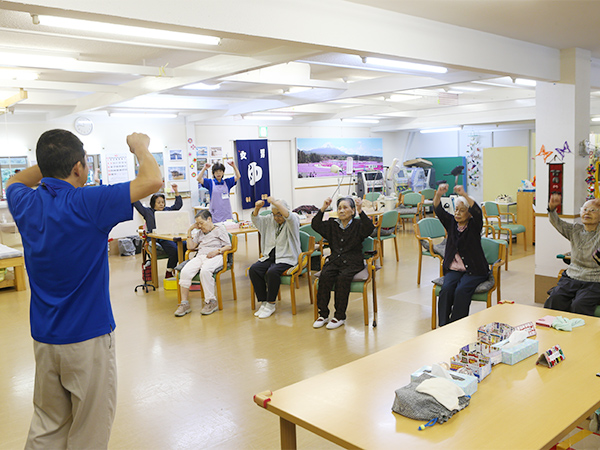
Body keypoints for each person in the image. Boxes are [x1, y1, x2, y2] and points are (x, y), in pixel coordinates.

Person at [6, 130, 162, 449]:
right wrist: (140, 147)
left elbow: (15, 180)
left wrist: (50, 162)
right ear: (79, 167)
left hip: (45, 339)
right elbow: (152, 181)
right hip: (87, 340)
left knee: (47, 426)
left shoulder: (24, 201)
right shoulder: (88, 202)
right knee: (89, 431)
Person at [311, 196, 375, 330]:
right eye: (339, 208)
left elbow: (369, 228)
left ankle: (339, 316)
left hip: (353, 261)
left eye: (345, 208)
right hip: (335, 260)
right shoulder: (332, 224)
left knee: (342, 278)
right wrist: (323, 208)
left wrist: (360, 211)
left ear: (352, 211)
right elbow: (315, 225)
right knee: (325, 276)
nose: (341, 211)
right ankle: (323, 314)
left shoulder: (358, 225)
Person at [433, 183, 490, 326]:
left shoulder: (474, 225)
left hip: (475, 271)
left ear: (469, 213)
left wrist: (464, 194)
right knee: (446, 289)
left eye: (462, 210)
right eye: (456, 210)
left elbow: (477, 212)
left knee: (461, 290)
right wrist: (439, 194)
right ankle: (444, 326)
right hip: (455, 269)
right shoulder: (451, 222)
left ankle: (456, 325)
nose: (457, 213)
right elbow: (438, 209)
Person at [544, 194, 600, 316]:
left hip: (595, 280)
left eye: (593, 210)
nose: (587, 213)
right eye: (585, 210)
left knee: (579, 304)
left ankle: (581, 334)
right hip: (572, 276)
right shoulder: (575, 230)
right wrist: (552, 208)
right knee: (555, 299)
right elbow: (557, 223)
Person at [248, 197, 300, 319]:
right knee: (254, 269)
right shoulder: (271, 219)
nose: (276, 218)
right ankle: (264, 301)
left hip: (287, 256)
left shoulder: (293, 219)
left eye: (279, 214)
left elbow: (289, 216)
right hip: (270, 256)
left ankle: (271, 304)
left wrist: (276, 204)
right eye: (274, 214)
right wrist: (257, 209)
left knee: (272, 272)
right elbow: (256, 220)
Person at [175, 210, 232, 317]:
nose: (200, 226)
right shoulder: (199, 233)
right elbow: (190, 247)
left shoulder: (220, 230)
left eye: (201, 223)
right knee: (185, 271)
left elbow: (228, 246)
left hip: (216, 256)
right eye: (198, 224)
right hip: (201, 256)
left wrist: (217, 251)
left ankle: (211, 301)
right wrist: (189, 231)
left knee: (205, 271)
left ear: (209, 219)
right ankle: (184, 303)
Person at [133, 183, 183, 278]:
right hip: (157, 238)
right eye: (159, 202)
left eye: (163, 202)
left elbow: (178, 205)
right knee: (174, 250)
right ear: (153, 204)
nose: (161, 204)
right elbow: (137, 204)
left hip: (169, 236)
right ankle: (169, 271)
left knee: (185, 245)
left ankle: (181, 271)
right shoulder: (148, 212)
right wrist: (135, 191)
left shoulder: (167, 210)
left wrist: (176, 191)